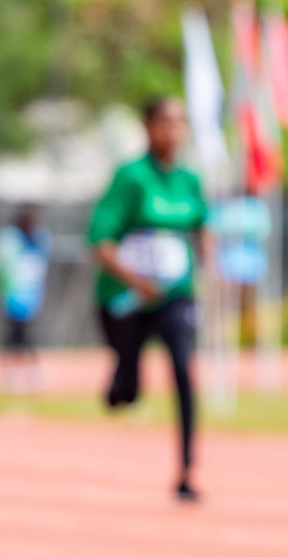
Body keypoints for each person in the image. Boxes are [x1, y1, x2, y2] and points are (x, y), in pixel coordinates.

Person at [88, 97, 212, 501]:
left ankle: (187, 470)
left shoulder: (190, 179)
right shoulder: (130, 178)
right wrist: (136, 281)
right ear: (148, 127)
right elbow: (101, 243)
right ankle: (121, 383)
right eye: (164, 123)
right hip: (126, 298)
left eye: (179, 123)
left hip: (174, 295)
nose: (172, 131)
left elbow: (202, 222)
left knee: (183, 372)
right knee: (129, 392)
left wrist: (208, 253)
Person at [0, 204, 52, 393]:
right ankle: (11, 374)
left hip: (31, 296)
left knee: (26, 336)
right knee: (14, 335)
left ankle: (28, 373)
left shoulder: (39, 238)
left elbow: (40, 266)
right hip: (13, 295)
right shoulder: (9, 240)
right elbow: (2, 266)